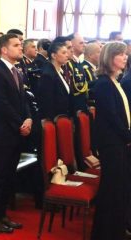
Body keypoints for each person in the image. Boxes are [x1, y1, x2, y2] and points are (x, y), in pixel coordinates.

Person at [0, 33, 32, 233]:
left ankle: (2, 214)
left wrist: (28, 118)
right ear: (4, 50)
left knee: (9, 176)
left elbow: (23, 100)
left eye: (21, 44)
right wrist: (20, 122)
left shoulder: (16, 70)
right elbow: (0, 104)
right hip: (2, 133)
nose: (20, 47)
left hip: (14, 132)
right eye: (16, 45)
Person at [91, 41, 130, 240]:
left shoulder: (114, 81)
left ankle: (115, 230)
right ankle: (104, 233)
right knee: (111, 190)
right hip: (111, 143)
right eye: (120, 54)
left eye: (125, 54)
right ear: (109, 57)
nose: (125, 57)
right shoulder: (104, 84)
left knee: (119, 188)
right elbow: (112, 117)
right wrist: (128, 136)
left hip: (118, 142)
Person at [38, 40, 71, 120]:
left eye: (67, 52)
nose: (67, 55)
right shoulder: (48, 75)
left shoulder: (60, 71)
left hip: (64, 118)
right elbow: (47, 103)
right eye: (63, 53)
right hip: (55, 120)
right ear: (53, 55)